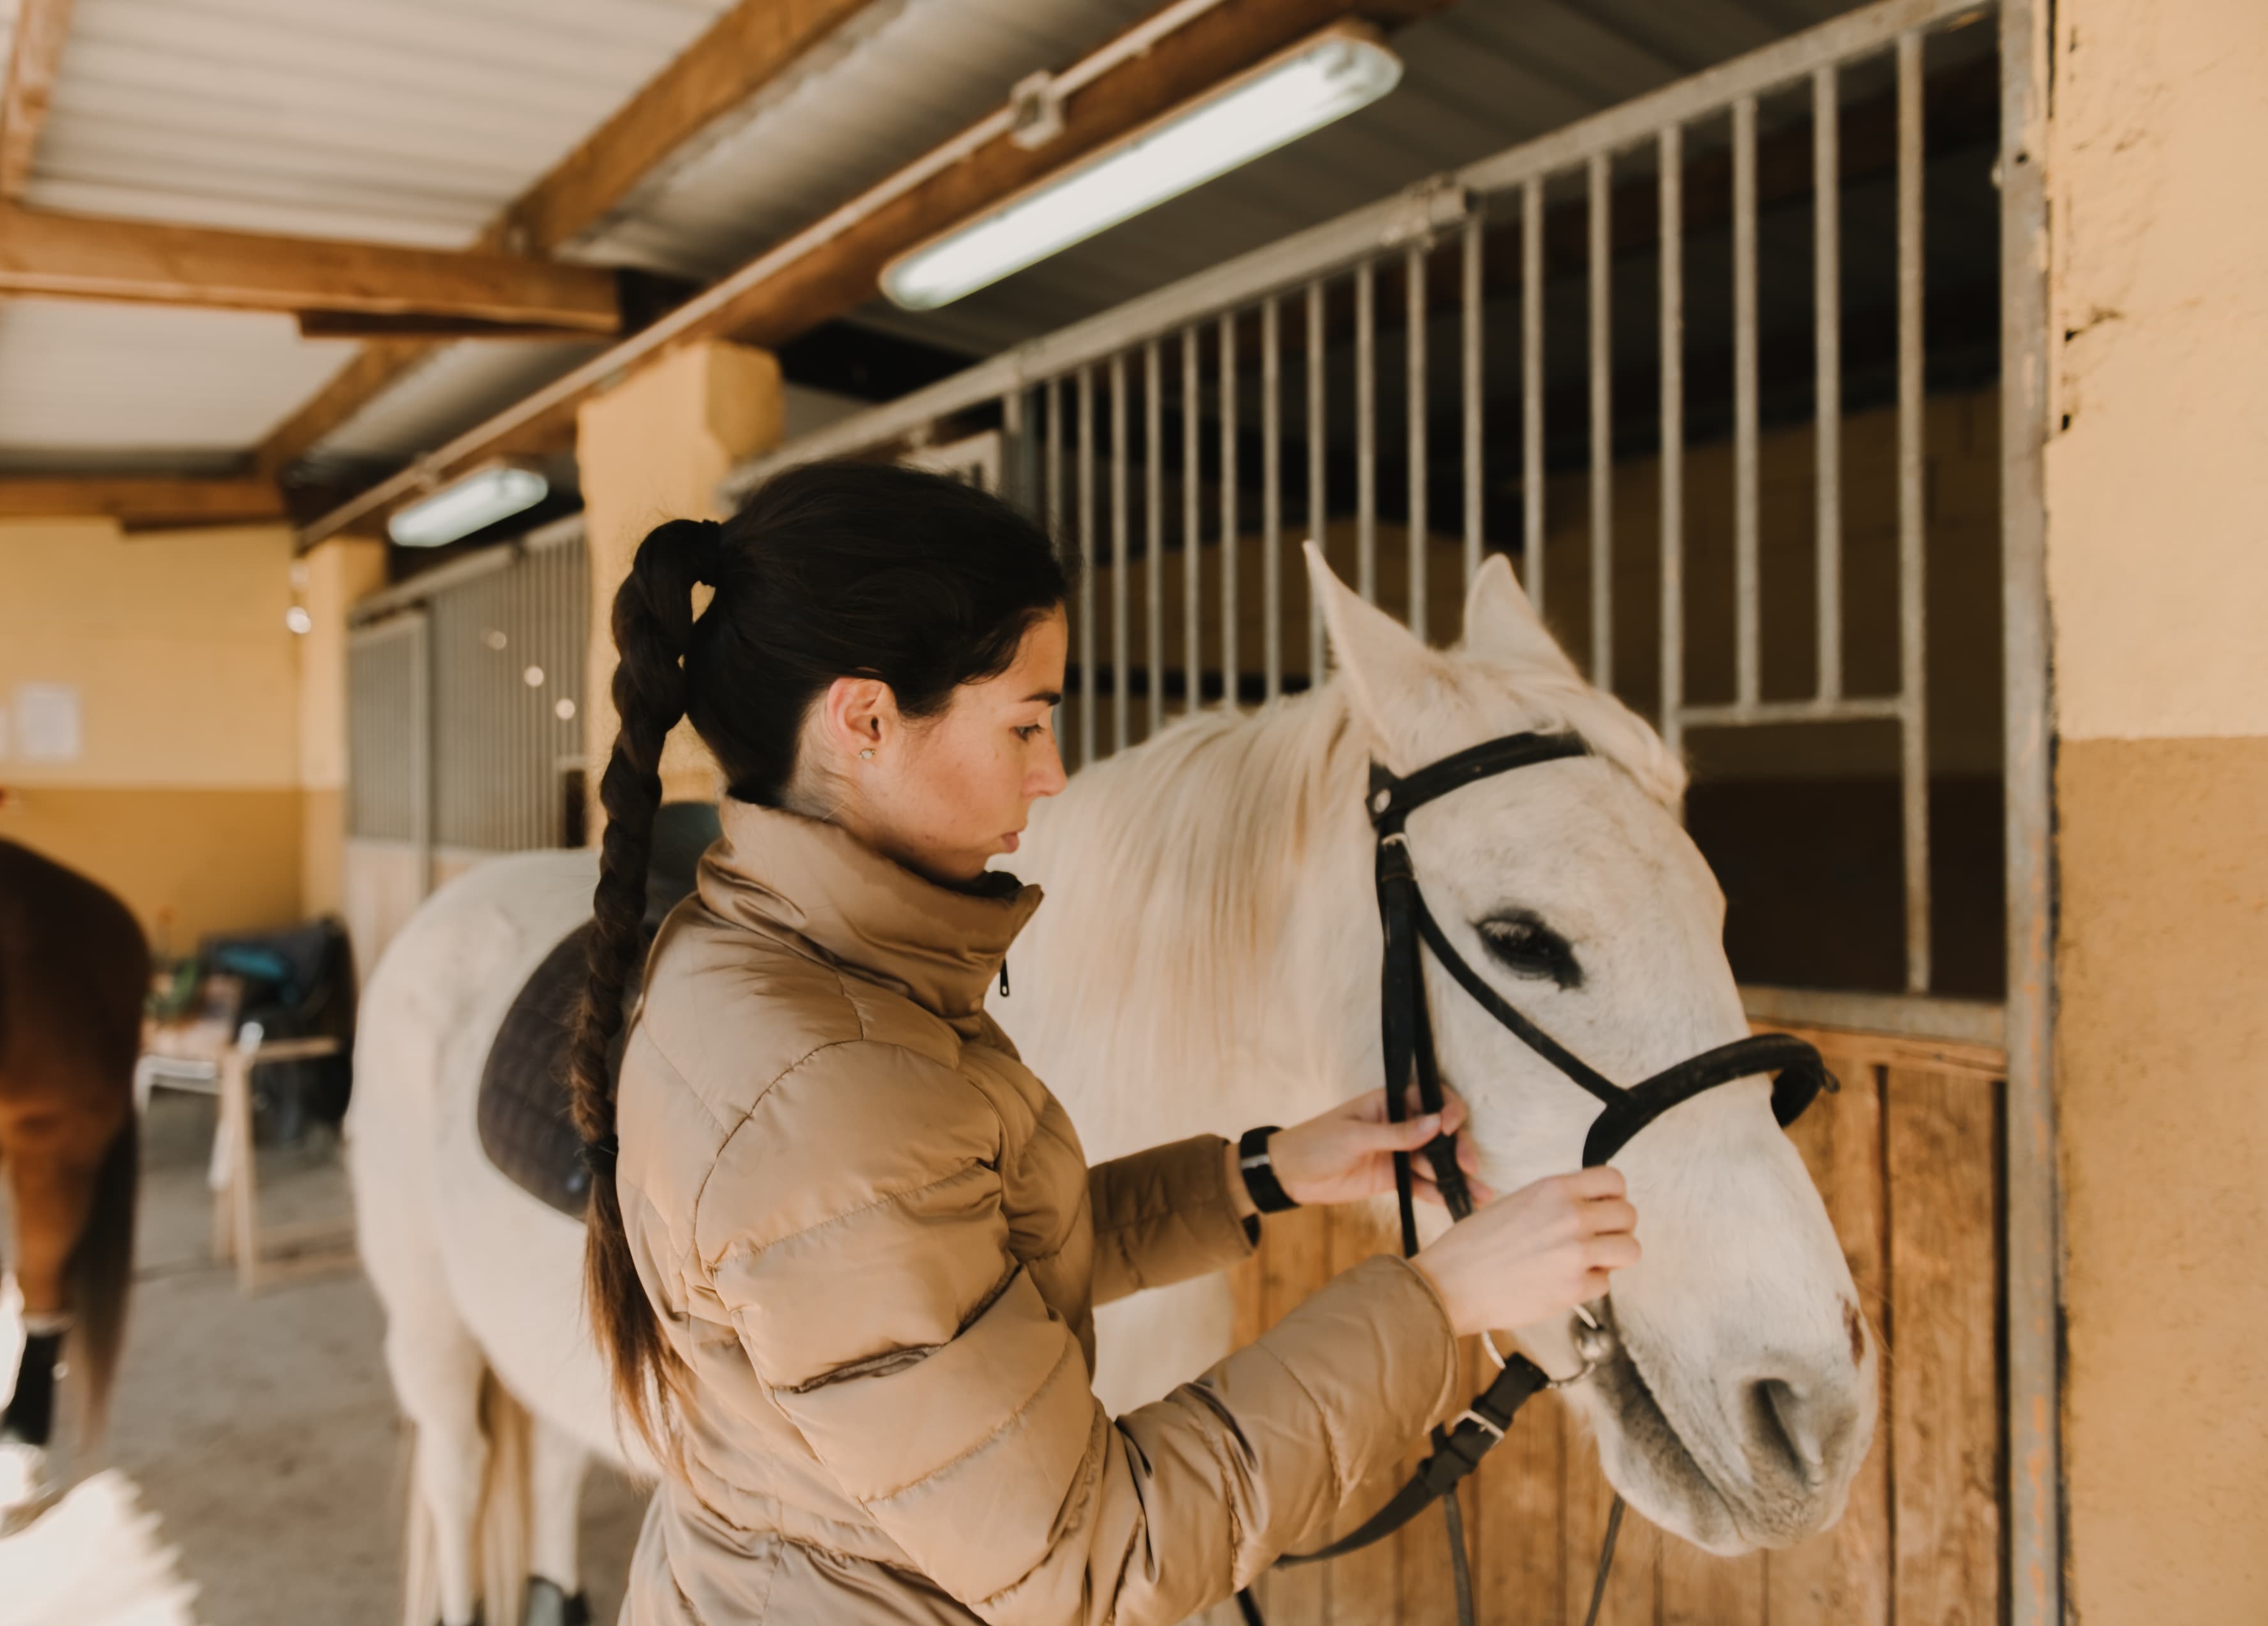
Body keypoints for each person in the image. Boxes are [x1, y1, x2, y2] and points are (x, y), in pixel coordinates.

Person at [564, 460, 1640, 1626]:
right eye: (1026, 721)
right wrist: (1438, 1300)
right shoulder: (829, 1087)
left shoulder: (784, 965)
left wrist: (1259, 1173)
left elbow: (959, 1265)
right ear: (864, 720)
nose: (1054, 771)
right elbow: (1094, 1562)